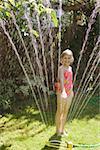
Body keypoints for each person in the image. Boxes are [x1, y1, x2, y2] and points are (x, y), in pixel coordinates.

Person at [55, 49, 74, 136]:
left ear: (71, 59)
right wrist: (63, 91)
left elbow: (70, 80)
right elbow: (62, 79)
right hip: (61, 92)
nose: (67, 60)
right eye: (65, 58)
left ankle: (62, 130)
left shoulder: (70, 68)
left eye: (69, 58)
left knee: (66, 111)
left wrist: (71, 90)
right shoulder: (61, 69)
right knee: (60, 111)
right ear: (61, 59)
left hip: (69, 92)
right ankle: (58, 131)